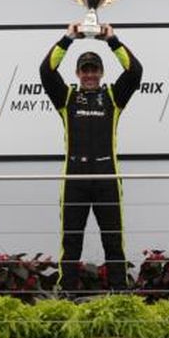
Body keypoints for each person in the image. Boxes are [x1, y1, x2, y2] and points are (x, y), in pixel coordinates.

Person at [40, 23, 142, 293]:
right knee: (71, 242)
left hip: (108, 178)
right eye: (84, 70)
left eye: (94, 69)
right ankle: (68, 295)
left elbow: (135, 72)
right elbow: (46, 71)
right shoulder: (67, 98)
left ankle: (119, 295)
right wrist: (68, 38)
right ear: (77, 73)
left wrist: (112, 40)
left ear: (101, 72)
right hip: (74, 180)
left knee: (113, 241)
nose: (89, 75)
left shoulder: (113, 97)